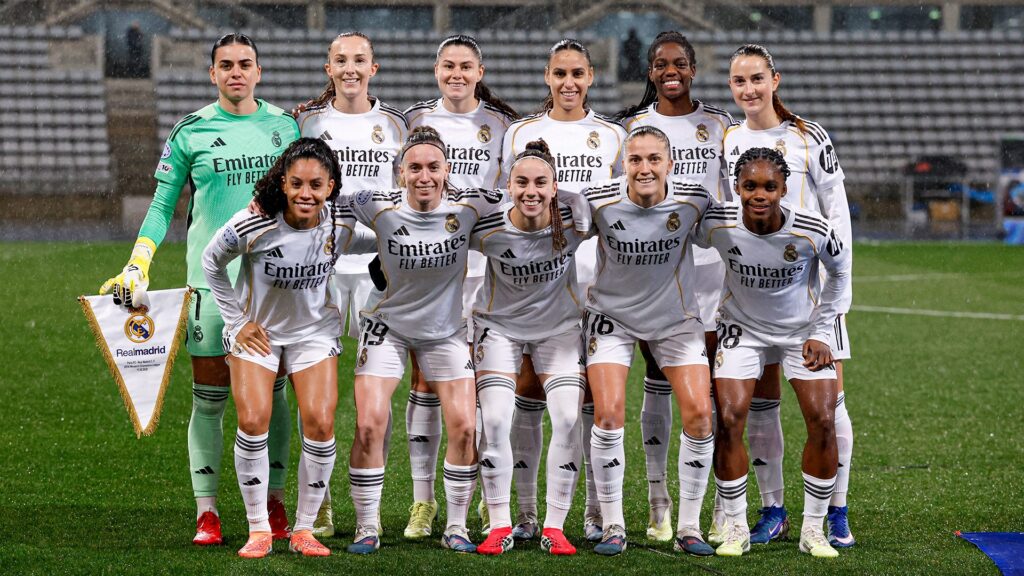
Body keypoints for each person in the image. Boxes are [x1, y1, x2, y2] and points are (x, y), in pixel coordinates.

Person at [99, 33, 299, 546]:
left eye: (245, 64)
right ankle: (206, 512)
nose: (236, 72)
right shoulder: (191, 130)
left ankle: (275, 501)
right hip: (209, 285)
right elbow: (162, 205)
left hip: (273, 288)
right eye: (226, 65)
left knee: (274, 397)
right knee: (209, 399)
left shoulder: (285, 127)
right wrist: (139, 262)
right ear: (212, 74)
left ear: (259, 72)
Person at [202, 138, 376, 558]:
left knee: (320, 422)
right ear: (282, 182)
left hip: (313, 333)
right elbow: (211, 261)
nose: (305, 193)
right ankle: (258, 528)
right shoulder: (255, 221)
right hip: (259, 333)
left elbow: (375, 240)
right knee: (253, 419)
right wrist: (236, 321)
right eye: (296, 183)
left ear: (331, 186)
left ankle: (304, 529)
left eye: (316, 185)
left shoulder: (339, 223)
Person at [343, 126, 504, 555]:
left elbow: (525, 199)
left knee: (466, 427)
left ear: (447, 170)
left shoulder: (470, 206)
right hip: (387, 328)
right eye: (414, 168)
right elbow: (329, 198)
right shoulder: (377, 205)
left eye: (434, 167)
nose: (424, 176)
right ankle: (366, 525)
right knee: (369, 424)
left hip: (444, 333)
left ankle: (456, 526)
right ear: (400, 173)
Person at [723, 43, 856, 548]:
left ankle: (836, 510)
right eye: (739, 81)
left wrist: (837, 300)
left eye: (757, 78)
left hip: (811, 293)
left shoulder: (807, 135)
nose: (749, 89)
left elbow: (836, 210)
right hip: (755, 294)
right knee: (761, 403)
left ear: (774, 80)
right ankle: (773, 508)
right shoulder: (730, 139)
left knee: (830, 407)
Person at [693, 147, 851, 558]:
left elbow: (840, 273)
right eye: (750, 186)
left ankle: (813, 530)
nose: (759, 195)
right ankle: (736, 527)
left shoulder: (813, 229)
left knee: (823, 419)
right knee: (729, 419)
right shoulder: (717, 223)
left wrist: (822, 331)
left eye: (769, 186)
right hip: (742, 330)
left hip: (801, 333)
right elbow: (675, 235)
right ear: (737, 187)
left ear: (784, 189)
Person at [500, 38, 626, 543]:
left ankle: (595, 512)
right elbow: (505, 201)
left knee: (593, 401)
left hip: (600, 282)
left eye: (577, 73)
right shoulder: (520, 133)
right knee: (529, 391)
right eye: (559, 73)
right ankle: (527, 513)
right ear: (547, 77)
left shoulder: (613, 135)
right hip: (542, 283)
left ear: (591, 77)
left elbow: (619, 206)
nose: (568, 82)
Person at [616, 30, 734, 543]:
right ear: (650, 71)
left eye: (680, 63)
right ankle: (658, 500)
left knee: (711, 390)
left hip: (712, 268)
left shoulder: (720, 125)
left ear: (693, 69)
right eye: (662, 64)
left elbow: (729, 194)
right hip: (657, 267)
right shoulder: (630, 127)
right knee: (658, 376)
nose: (671, 71)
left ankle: (719, 505)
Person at [401, 33, 519, 539]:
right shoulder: (414, 121)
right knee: (426, 381)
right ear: (436, 70)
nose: (456, 74)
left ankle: (487, 501)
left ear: (480, 72)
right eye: (448, 65)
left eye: (466, 66)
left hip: (486, 269)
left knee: (484, 385)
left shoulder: (503, 125)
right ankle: (423, 501)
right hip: (432, 267)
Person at [580, 125, 715, 556]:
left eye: (654, 159)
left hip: (675, 320)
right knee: (607, 413)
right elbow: (553, 230)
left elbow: (732, 232)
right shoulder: (597, 201)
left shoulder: (695, 200)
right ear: (623, 164)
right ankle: (613, 524)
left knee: (700, 413)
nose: (644, 168)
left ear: (669, 164)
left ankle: (689, 527)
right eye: (635, 159)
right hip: (612, 318)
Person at [294, 30, 408, 539]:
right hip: (318, 269)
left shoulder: (396, 125)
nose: (350, 69)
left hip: (377, 271)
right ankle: (317, 504)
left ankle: (369, 505)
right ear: (329, 68)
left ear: (373, 68)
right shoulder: (307, 124)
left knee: (373, 399)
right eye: (341, 60)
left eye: (360, 60)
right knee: (315, 397)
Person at [471, 140, 587, 556]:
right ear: (508, 185)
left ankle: (554, 526)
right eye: (521, 182)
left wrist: (571, 196)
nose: (531, 191)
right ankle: (500, 524)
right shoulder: (488, 228)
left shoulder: (574, 222)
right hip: (499, 329)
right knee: (495, 420)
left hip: (559, 330)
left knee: (568, 418)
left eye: (541, 183)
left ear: (555, 188)